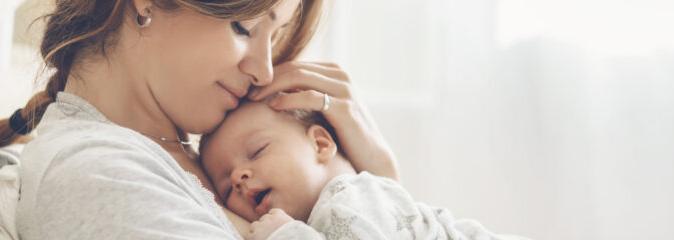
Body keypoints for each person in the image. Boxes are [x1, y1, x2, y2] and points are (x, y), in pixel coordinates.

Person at [0, 0, 397, 238]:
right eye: (245, 27)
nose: (265, 70)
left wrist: (379, 177)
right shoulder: (100, 175)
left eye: (276, 35)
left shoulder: (210, 152)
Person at [199, 98, 528, 240]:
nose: (239, 178)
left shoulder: (347, 197)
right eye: (226, 188)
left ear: (321, 145)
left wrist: (286, 235)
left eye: (257, 151)